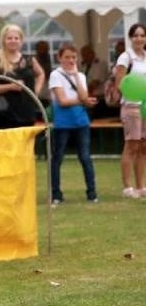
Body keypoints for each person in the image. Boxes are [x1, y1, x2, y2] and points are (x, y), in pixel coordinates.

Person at [48, 45, 98, 205]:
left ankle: (92, 193)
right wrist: (84, 101)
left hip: (81, 121)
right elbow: (62, 101)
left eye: (73, 57)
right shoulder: (55, 75)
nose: (70, 60)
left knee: (85, 157)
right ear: (59, 58)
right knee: (58, 158)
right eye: (67, 57)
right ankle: (56, 194)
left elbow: (84, 95)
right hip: (63, 123)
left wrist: (76, 75)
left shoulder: (81, 75)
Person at [0, 25, 45, 132]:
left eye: (16, 38)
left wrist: (36, 91)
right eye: (9, 38)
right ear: (3, 41)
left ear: (21, 41)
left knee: (26, 145)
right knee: (8, 146)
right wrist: (10, 86)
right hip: (5, 114)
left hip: (27, 111)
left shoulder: (29, 60)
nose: (13, 41)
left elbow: (41, 74)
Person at [113, 24, 146, 198]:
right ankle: (127, 187)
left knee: (143, 146)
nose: (139, 39)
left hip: (145, 106)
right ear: (130, 38)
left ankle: (141, 187)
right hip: (131, 106)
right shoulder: (125, 58)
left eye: (142, 35)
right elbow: (119, 83)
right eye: (136, 35)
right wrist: (133, 94)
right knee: (131, 145)